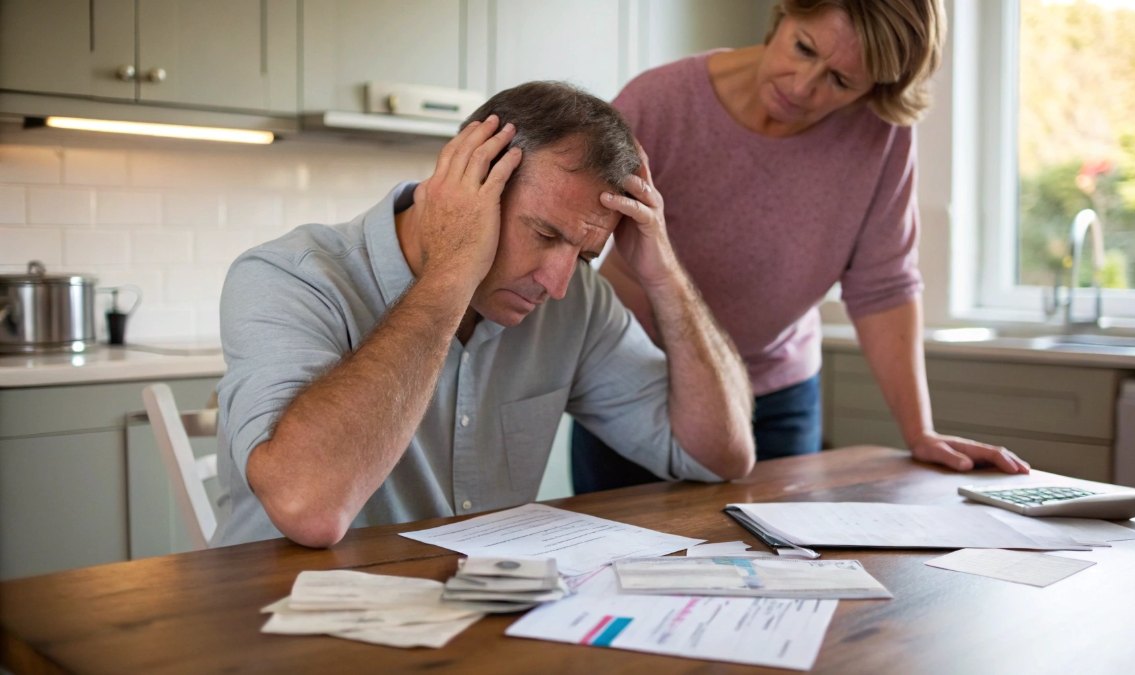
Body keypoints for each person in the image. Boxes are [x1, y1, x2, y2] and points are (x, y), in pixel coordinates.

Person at [211, 81, 755, 548]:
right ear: (464, 188)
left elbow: (720, 456)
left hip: (465, 621)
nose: (558, 284)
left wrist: (664, 277)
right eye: (544, 234)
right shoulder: (288, 277)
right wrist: (452, 271)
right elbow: (310, 509)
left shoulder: (576, 305)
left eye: (586, 256)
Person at [571, 0, 1030, 494]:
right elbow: (575, 233)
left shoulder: (880, 134)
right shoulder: (661, 101)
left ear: (873, 88)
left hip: (777, 388)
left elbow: (884, 285)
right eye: (804, 48)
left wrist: (919, 432)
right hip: (639, 382)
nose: (802, 87)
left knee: (782, 561)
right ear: (785, 13)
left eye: (841, 81)